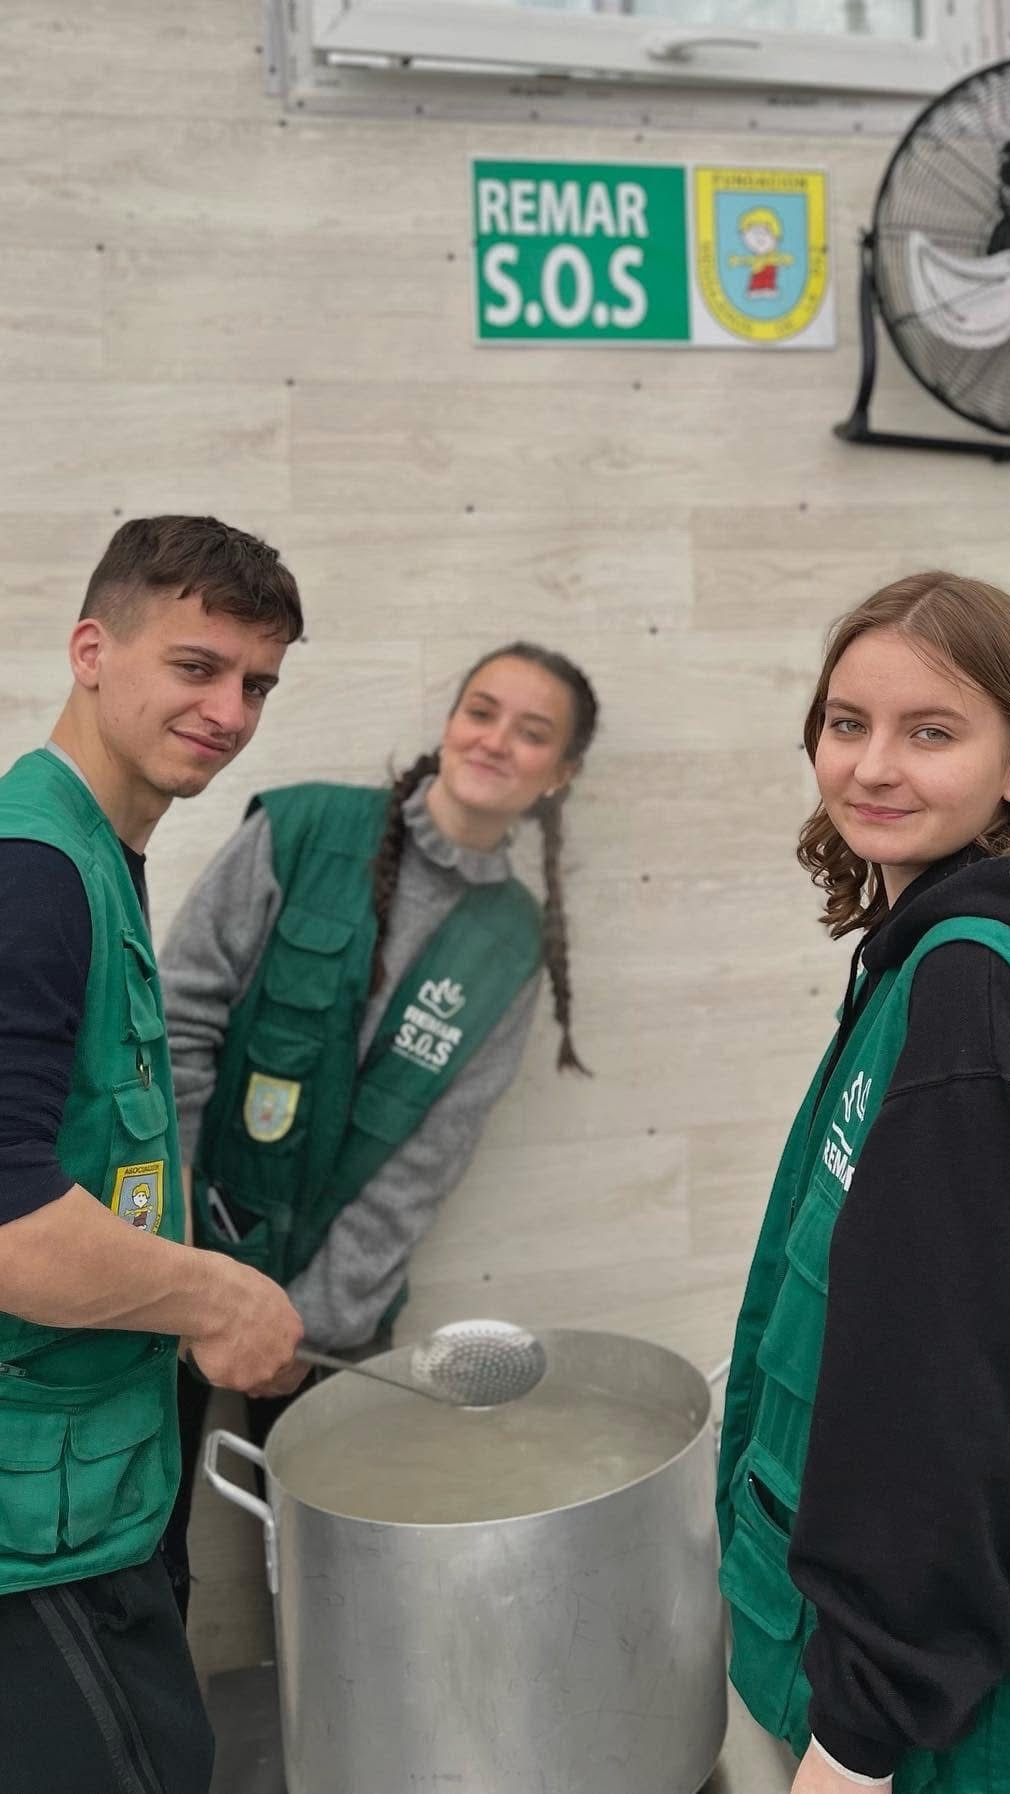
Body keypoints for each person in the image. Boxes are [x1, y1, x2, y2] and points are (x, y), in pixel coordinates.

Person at [716, 572, 1010, 1794]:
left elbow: (947, 1397)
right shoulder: (943, 952)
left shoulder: (970, 996)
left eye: (931, 733)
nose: (874, 766)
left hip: (929, 1728)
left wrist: (857, 1736)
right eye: (847, 724)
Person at [158, 641, 599, 1615]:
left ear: (559, 774)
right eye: (481, 711)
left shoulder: (509, 945)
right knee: (144, 1555)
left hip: (332, 1318)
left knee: (329, 1581)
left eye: (533, 734)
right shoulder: (304, 830)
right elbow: (175, 1027)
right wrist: (183, 1269)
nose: (496, 741)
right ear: (449, 722)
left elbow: (426, 1163)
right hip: (178, 1253)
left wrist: (304, 1323)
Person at [0, 515, 308, 1794]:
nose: (229, 712)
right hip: (32, 1546)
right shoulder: (32, 878)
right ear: (91, 650)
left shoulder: (98, 856)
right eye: (196, 666)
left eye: (257, 685)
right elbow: (8, 1225)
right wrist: (216, 1296)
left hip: (94, 1491)